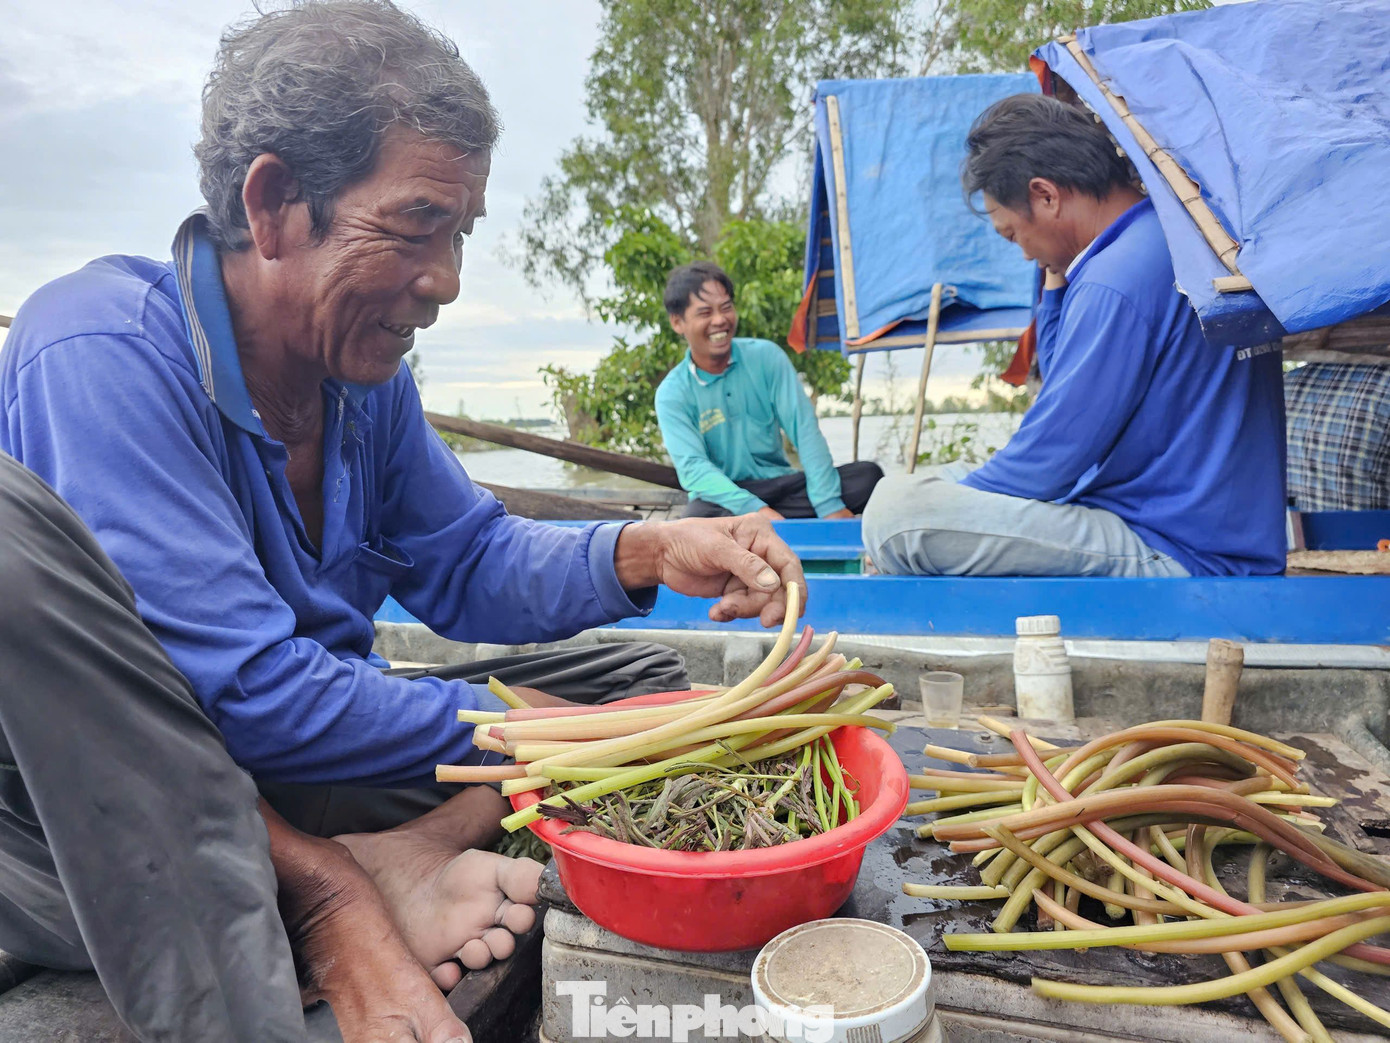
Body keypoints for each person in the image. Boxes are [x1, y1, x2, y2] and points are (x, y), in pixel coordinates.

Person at [0, 3, 804, 1041]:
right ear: (277, 202)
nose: (449, 280)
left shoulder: (363, 379)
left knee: (651, 692)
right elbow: (247, 693)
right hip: (111, 825)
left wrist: (645, 548)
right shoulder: (100, 346)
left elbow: (467, 559)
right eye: (416, 224)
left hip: (297, 764)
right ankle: (319, 895)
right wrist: (520, 734)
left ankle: (407, 850)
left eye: (460, 233)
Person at [862, 94, 1286, 578]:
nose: (1022, 253)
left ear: (1046, 196)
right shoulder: (1160, 238)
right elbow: (1063, 372)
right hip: (1206, 530)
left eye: (1011, 234)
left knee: (897, 515)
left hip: (1177, 550)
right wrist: (1056, 279)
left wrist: (929, 528)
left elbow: (1047, 463)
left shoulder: (1116, 277)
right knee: (928, 489)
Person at [655, 261, 883, 520]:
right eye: (705, 313)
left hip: (781, 486)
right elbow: (694, 469)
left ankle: (793, 517)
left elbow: (803, 428)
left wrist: (829, 504)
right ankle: (769, 522)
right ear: (677, 322)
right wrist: (757, 511)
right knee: (697, 517)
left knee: (867, 477)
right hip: (727, 497)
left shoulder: (766, 357)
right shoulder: (672, 393)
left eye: (726, 308)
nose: (720, 320)